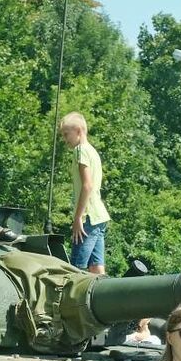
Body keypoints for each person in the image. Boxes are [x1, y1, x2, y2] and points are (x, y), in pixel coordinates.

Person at [61, 111, 111, 274]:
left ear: (78, 130)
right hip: (99, 216)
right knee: (97, 268)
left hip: (88, 217)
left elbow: (87, 185)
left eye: (66, 134)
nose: (64, 139)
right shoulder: (92, 151)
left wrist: (77, 217)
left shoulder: (80, 150)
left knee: (76, 269)